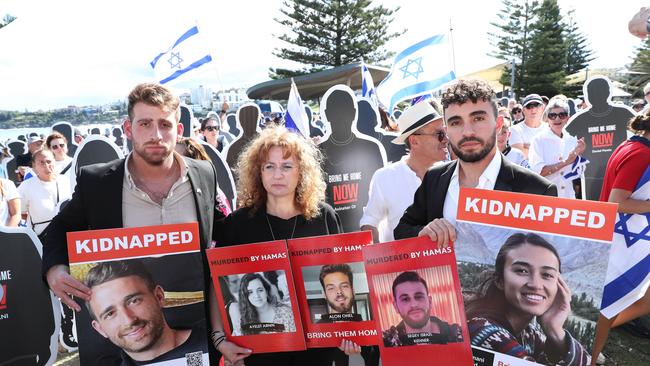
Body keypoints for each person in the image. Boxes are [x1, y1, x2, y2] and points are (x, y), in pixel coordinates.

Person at [41, 83, 244, 365]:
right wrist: (54, 269)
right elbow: (58, 229)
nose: (156, 135)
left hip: (194, 332)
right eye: (145, 124)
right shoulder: (98, 181)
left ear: (179, 131)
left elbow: (222, 230)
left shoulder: (203, 173)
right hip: (130, 342)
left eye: (164, 124)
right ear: (128, 128)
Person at [216, 125, 360, 365]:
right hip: (261, 353)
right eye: (269, 167)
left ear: (301, 171)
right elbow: (217, 284)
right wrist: (220, 339)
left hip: (318, 353)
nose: (277, 174)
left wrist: (351, 331)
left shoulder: (324, 216)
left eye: (286, 166)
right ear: (258, 172)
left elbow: (343, 274)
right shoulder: (237, 224)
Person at [394, 79, 557, 245]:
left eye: (478, 119)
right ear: (447, 130)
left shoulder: (537, 190)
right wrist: (423, 232)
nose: (467, 132)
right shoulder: (435, 178)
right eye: (456, 122)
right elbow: (402, 230)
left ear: (498, 124)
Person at [465, 233, 589, 365]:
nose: (535, 284)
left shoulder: (528, 334)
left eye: (547, 274)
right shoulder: (487, 333)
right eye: (522, 271)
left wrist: (555, 331)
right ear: (500, 280)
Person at [85, 259, 208, 365]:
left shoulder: (214, 344)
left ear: (159, 296)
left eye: (134, 301)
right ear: (100, 329)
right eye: (110, 314)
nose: (128, 320)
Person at [360, 101, 448, 243]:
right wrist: (378, 260)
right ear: (414, 141)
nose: (446, 139)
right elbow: (370, 222)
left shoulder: (454, 174)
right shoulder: (385, 177)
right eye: (439, 134)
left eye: (445, 132)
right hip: (402, 263)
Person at [382, 271, 462, 347]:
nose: (414, 305)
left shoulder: (458, 334)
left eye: (419, 296)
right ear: (396, 307)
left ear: (430, 301)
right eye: (405, 299)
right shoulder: (386, 342)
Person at [529, 99, 586, 199]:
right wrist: (566, 161)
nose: (557, 119)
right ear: (547, 119)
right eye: (552, 115)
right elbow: (539, 172)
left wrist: (579, 156)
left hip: (568, 197)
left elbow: (578, 173)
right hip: (546, 198)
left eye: (562, 115)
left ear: (567, 118)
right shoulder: (538, 140)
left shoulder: (572, 140)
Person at [18, 148, 72, 236]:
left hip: (68, 234)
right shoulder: (26, 186)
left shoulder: (66, 181)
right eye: (41, 162)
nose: (46, 165)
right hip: (43, 238)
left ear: (54, 162)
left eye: (49, 161)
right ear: (34, 166)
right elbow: (19, 212)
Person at [510, 94, 546, 159]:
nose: (533, 109)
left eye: (537, 105)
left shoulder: (549, 129)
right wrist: (543, 149)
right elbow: (520, 155)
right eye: (529, 106)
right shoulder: (515, 130)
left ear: (543, 108)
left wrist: (528, 147)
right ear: (523, 110)